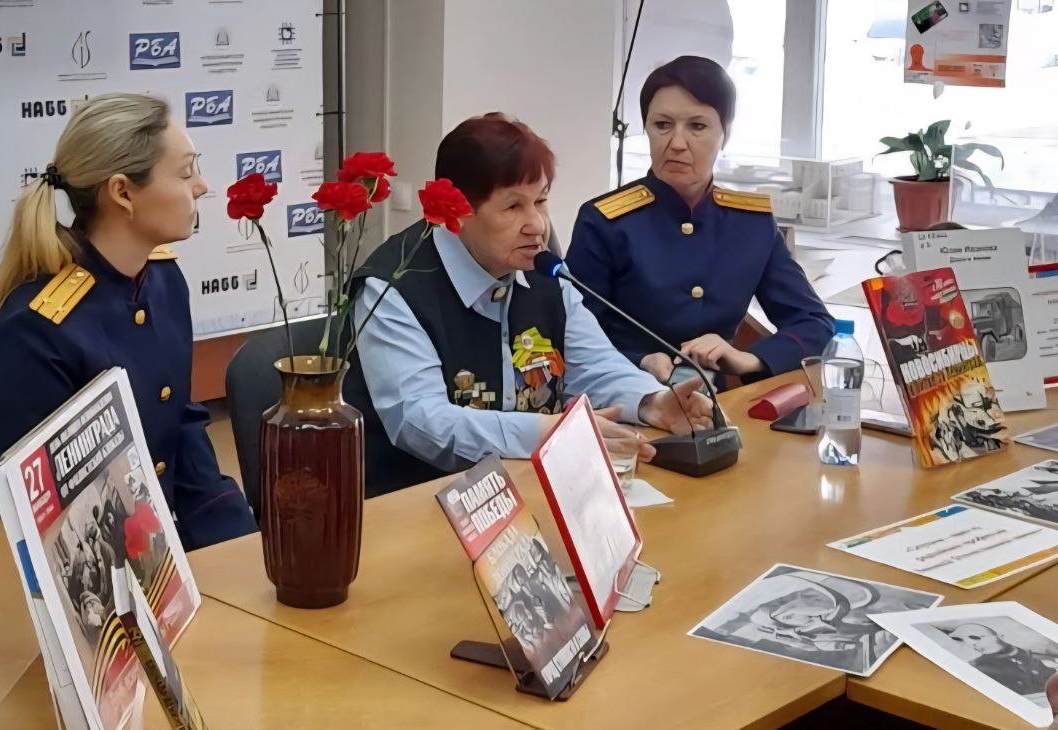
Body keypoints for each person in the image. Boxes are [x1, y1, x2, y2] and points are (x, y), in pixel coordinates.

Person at [349, 113, 714, 496]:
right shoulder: (391, 289)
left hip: (527, 492)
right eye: (513, 207)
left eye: (541, 200)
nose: (537, 225)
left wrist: (653, 402)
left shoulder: (543, 270)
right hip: (414, 503)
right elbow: (422, 423)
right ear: (458, 214)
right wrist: (542, 434)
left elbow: (595, 367)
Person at [0, 93, 256, 551]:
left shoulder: (163, 281)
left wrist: (237, 542)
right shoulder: (37, 331)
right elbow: (61, 523)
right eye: (185, 172)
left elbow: (181, 429)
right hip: (99, 571)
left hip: (160, 549)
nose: (201, 186)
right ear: (123, 192)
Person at [567, 56, 833, 387]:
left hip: (715, 404)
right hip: (623, 395)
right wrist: (639, 359)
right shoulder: (605, 221)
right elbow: (572, 330)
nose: (677, 144)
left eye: (697, 126)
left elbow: (814, 323)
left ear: (726, 133)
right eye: (662, 125)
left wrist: (748, 360)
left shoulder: (749, 225)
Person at [946, 623, 1058, 696]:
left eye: (976, 637)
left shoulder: (1042, 656)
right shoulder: (977, 667)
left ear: (1000, 636)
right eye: (962, 640)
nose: (970, 644)